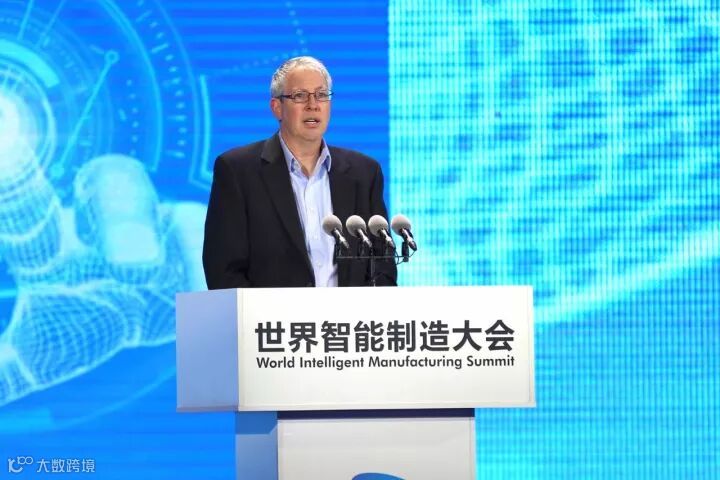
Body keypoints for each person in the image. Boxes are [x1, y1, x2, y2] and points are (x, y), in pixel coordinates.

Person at [202, 56, 397, 289]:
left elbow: (382, 265)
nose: (313, 105)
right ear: (277, 107)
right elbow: (223, 270)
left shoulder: (364, 173)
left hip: (348, 313)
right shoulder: (238, 171)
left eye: (321, 95)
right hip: (270, 313)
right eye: (300, 96)